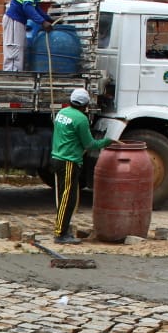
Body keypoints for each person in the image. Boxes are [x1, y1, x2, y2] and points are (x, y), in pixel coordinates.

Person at [50, 88, 110, 244]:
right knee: (68, 198)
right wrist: (106, 141)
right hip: (69, 161)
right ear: (85, 105)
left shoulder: (62, 113)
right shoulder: (81, 119)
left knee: (63, 196)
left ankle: (62, 229)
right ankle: (60, 234)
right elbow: (90, 144)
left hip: (57, 158)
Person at [2, 0, 63, 72]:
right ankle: (11, 84)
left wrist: (48, 19)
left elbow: (35, 7)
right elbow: (28, 6)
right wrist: (43, 22)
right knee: (14, 59)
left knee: (19, 55)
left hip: (18, 22)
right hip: (14, 20)